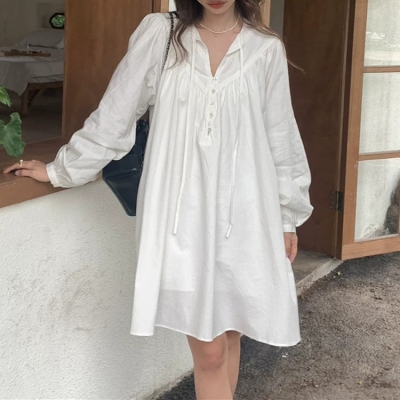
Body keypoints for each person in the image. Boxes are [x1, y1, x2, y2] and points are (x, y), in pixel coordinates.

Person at [4, 0, 313, 398]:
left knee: (230, 332)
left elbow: (281, 137)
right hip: (180, 216)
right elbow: (116, 113)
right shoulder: (161, 34)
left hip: (247, 214)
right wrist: (60, 170)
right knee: (210, 352)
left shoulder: (265, 48)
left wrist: (286, 217)